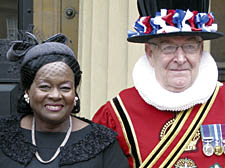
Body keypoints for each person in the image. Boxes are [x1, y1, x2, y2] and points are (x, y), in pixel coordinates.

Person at [92, 0, 225, 167]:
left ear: (201, 50)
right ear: (149, 52)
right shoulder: (116, 113)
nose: (180, 59)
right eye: (168, 48)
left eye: (190, 47)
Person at [0, 32, 129, 168]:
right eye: (45, 87)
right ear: (27, 91)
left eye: (65, 88)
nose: (55, 95)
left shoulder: (102, 141)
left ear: (74, 92)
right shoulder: (4, 135)